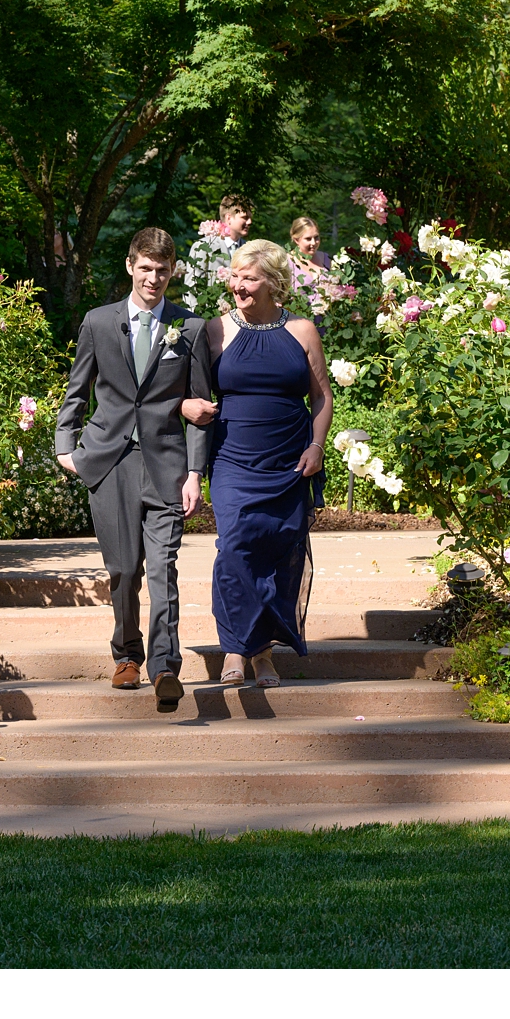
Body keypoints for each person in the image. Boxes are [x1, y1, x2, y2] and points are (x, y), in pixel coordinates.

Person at [54, 228, 211, 710]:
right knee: (123, 570)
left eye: (163, 270)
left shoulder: (190, 329)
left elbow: (202, 406)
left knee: (163, 567)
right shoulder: (100, 322)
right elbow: (78, 388)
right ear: (130, 266)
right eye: (146, 267)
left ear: (173, 272)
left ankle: (166, 665)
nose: (154, 278)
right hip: (109, 461)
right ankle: (126, 655)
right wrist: (67, 446)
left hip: (166, 464)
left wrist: (194, 472)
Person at [181, 239, 334, 688]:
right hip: (233, 459)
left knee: (279, 549)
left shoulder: (303, 330)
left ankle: (263, 653)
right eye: (234, 276)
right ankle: (234, 646)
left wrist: (318, 446)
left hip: (289, 459)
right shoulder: (213, 331)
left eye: (249, 278)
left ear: (272, 281)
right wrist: (187, 407)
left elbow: (322, 394)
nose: (238, 286)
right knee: (235, 548)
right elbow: (185, 391)